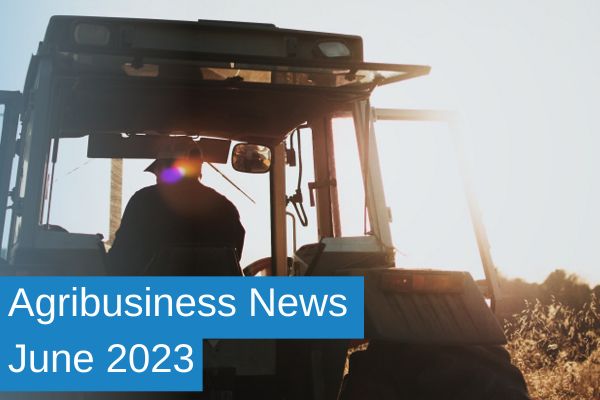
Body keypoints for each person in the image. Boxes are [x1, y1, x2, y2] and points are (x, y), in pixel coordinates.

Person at [106, 148, 245, 275]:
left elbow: (120, 258)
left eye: (157, 171)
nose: (157, 177)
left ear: (164, 168)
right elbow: (233, 259)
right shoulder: (225, 207)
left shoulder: (143, 200)